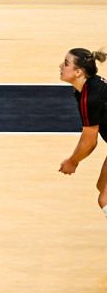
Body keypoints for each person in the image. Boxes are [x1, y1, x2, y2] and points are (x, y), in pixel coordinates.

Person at [59, 48, 107, 217]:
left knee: (105, 199)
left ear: (78, 72)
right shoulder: (87, 87)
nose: (60, 66)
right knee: (102, 185)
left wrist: (73, 161)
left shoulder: (90, 97)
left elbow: (90, 142)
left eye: (66, 64)